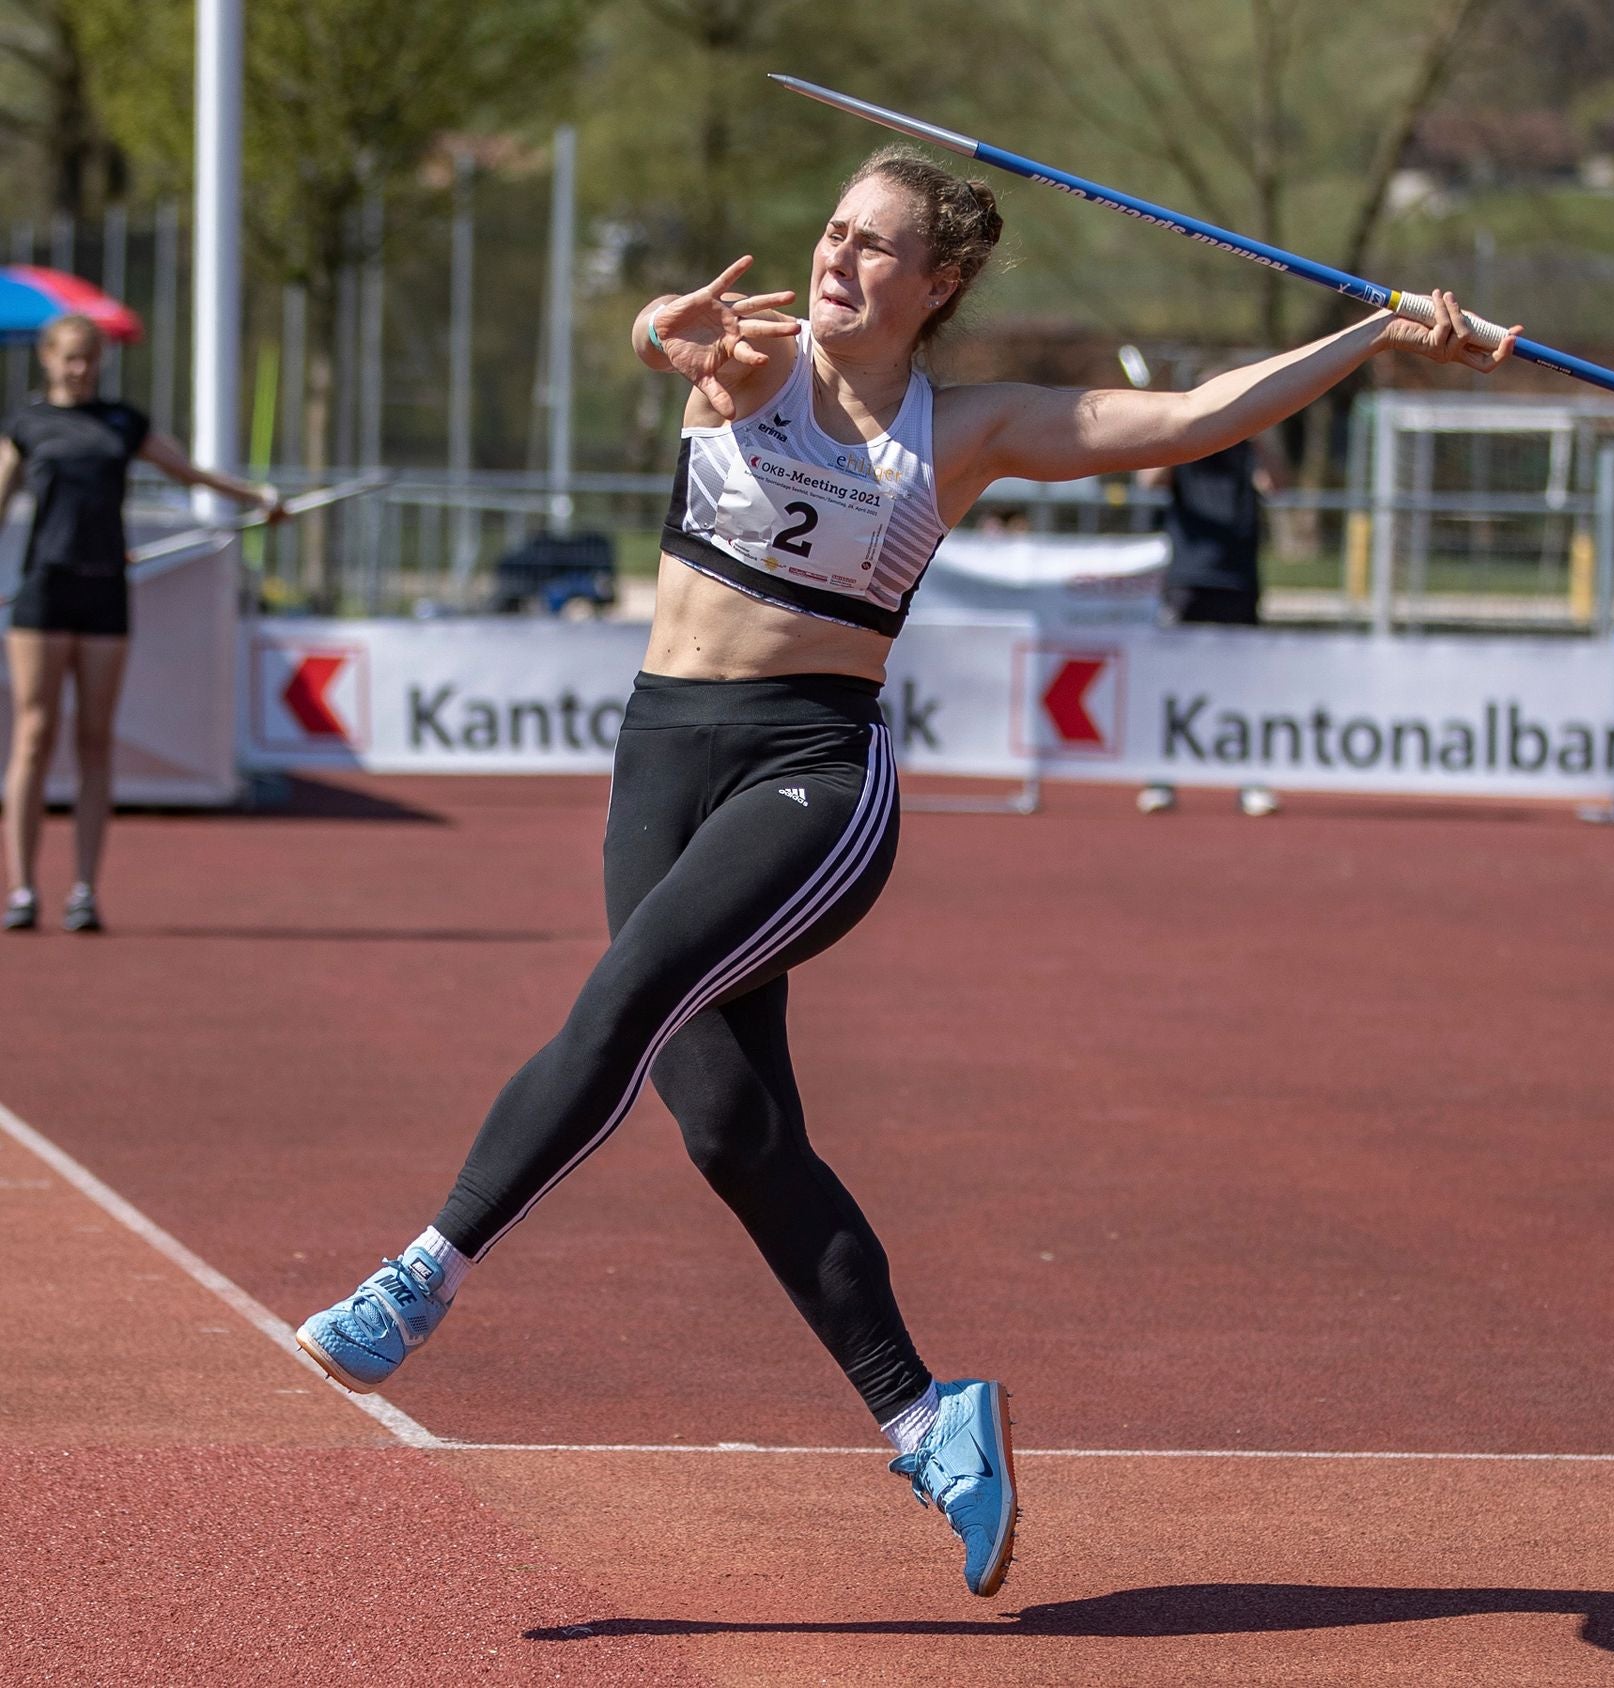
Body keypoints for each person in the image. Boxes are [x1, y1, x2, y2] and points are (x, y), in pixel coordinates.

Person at [291, 144, 1517, 1599]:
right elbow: (683, 351)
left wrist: (1379, 330)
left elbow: (1190, 419)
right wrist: (652, 339)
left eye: (876, 248)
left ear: (937, 285)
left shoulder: (966, 429)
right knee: (733, 1132)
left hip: (811, 778)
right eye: (832, 232)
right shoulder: (757, 362)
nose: (837, 261)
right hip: (661, 760)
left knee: (622, 997)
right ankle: (934, 1421)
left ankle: (420, 1279)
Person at [0, 313, 281, 933]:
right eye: (70, 357)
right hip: (42, 594)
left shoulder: (123, 423)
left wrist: (258, 499)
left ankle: (84, 889)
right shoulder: (27, 425)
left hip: (104, 597)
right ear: (48, 359)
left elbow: (190, 474)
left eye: (90, 358)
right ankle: (21, 888)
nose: (81, 369)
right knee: (33, 735)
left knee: (95, 738)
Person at [1134, 403, 1284, 816]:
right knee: (1174, 682)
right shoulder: (1183, 445)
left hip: (1238, 579)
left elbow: (1278, 485)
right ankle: (1161, 778)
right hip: (1187, 577)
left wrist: (1258, 427)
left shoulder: (1246, 448)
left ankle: (1252, 782)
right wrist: (1177, 433)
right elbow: (1149, 481)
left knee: (1245, 686)